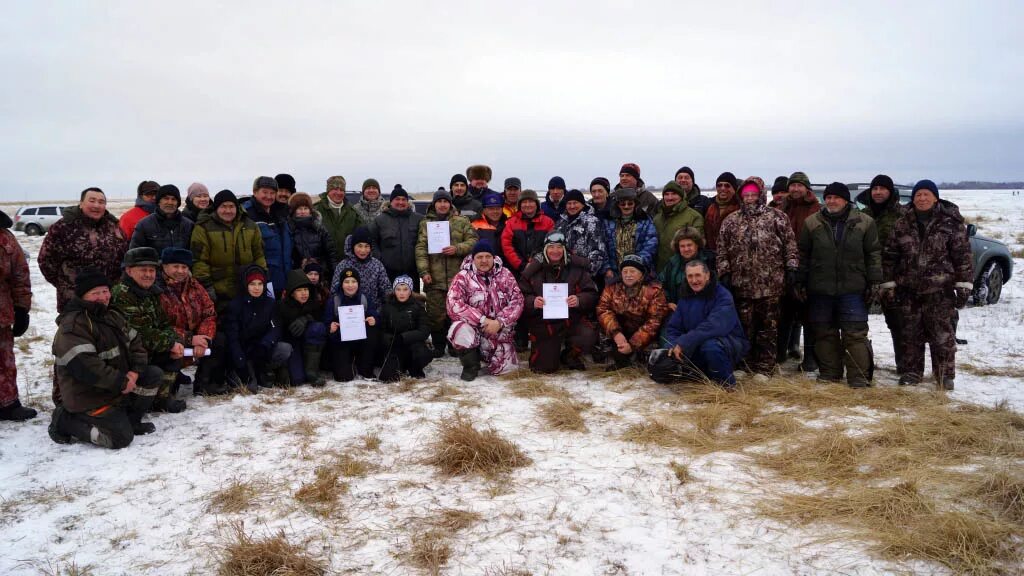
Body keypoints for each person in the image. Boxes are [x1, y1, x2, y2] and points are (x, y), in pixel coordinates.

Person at [49, 268, 161, 448]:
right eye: (95, 293)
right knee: (120, 438)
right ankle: (66, 421)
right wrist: (121, 381)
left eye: (105, 291)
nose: (103, 297)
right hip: (88, 395)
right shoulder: (74, 325)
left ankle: (130, 420)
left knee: (153, 375)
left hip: (115, 387)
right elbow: (87, 368)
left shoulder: (112, 314)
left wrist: (134, 372)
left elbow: (136, 343)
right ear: (83, 296)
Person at [880, 179, 973, 390]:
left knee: (942, 336)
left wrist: (964, 285)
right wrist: (888, 285)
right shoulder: (902, 223)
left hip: (941, 290)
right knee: (911, 334)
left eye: (926, 194)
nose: (922, 199)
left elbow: (963, 257)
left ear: (935, 197)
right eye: (918, 195)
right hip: (909, 290)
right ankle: (912, 372)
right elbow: (890, 256)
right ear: (913, 199)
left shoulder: (951, 223)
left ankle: (944, 375)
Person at [797, 182, 882, 387]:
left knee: (855, 334)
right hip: (820, 289)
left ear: (846, 200)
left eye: (836, 197)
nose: (831, 201)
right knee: (825, 333)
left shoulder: (865, 222)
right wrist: (799, 280)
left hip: (852, 288)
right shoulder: (812, 223)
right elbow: (803, 255)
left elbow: (873, 254)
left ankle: (859, 378)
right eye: (828, 197)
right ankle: (830, 373)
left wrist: (875, 281)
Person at [716, 177, 799, 379]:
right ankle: (744, 364)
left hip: (771, 285)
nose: (750, 198)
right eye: (746, 194)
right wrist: (724, 272)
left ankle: (765, 368)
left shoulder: (777, 217)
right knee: (743, 327)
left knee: (768, 328)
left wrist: (792, 268)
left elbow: (790, 245)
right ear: (741, 196)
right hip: (741, 285)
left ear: (761, 194)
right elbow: (721, 249)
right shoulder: (731, 220)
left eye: (754, 194)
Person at [648, 260, 749, 388]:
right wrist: (673, 345)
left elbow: (713, 326)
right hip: (694, 343)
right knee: (661, 363)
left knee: (710, 346)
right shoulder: (685, 297)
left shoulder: (722, 295)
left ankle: (726, 385)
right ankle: (699, 378)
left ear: (707, 276)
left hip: (728, 342)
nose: (694, 280)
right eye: (690, 276)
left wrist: (684, 342)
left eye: (698, 275)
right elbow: (673, 328)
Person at [111, 247, 187, 412]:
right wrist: (169, 344)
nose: (148, 274)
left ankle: (162, 397)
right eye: (143, 270)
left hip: (149, 347)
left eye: (151, 270)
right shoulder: (122, 294)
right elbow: (141, 333)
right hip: (130, 354)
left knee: (177, 344)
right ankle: (137, 402)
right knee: (164, 356)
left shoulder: (151, 292)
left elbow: (164, 323)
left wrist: (173, 342)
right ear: (129, 271)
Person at [519, 232, 599, 373]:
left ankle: (570, 355)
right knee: (545, 368)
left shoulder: (577, 269)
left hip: (571, 319)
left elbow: (592, 293)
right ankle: (548, 352)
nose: (555, 251)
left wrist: (579, 299)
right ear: (545, 250)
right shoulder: (533, 270)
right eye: (551, 247)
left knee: (588, 335)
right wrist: (533, 302)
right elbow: (520, 295)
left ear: (564, 249)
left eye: (559, 247)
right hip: (544, 323)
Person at [39, 187, 128, 314]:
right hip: (75, 301)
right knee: (76, 332)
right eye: (92, 201)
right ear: (81, 204)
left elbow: (124, 258)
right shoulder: (63, 227)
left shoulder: (114, 227)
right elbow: (46, 261)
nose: (97, 205)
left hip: (108, 299)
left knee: (107, 332)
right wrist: (66, 286)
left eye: (101, 202)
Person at [446, 241, 524, 381]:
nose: (484, 260)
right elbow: (453, 304)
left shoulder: (505, 274)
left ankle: (492, 357)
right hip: (475, 330)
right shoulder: (462, 277)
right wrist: (482, 320)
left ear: (493, 258)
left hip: (499, 332)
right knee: (458, 329)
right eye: (479, 257)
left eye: (488, 256)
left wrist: (500, 322)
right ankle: (471, 365)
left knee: (505, 371)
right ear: (473, 258)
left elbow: (517, 301)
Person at [416, 189, 478, 356]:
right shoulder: (425, 224)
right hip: (434, 278)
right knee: (435, 314)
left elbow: (474, 241)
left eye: (445, 201)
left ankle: (454, 344)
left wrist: (457, 249)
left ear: (450, 204)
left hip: (457, 278)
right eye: (439, 201)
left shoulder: (461, 222)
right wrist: (424, 271)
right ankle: (438, 345)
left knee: (456, 313)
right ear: (434, 204)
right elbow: (421, 248)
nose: (442, 205)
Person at [855, 174, 907, 373]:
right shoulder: (860, 215)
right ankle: (862, 365)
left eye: (882, 188)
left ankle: (904, 367)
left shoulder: (902, 215)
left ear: (890, 191)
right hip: (864, 278)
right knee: (857, 324)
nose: (877, 192)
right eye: (874, 188)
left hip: (893, 280)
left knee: (898, 325)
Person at [158, 247, 226, 396]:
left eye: (184, 267)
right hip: (172, 339)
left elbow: (209, 313)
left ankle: (204, 383)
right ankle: (168, 385)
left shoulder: (194, 285)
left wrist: (204, 338)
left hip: (197, 338)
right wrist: (189, 338)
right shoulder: (156, 288)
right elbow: (159, 325)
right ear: (164, 266)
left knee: (220, 339)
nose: (180, 271)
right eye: (175, 266)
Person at [771, 171, 822, 370]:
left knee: (808, 316)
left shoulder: (816, 209)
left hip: (808, 269)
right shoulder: (781, 207)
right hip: (782, 270)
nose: (795, 189)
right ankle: (779, 355)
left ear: (806, 188)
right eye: (792, 185)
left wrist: (806, 269)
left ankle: (810, 359)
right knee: (783, 315)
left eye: (799, 185)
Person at [190, 189, 266, 308]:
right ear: (216, 208)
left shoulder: (250, 225)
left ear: (237, 208)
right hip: (218, 290)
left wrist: (262, 279)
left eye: (231, 206)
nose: (228, 210)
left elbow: (259, 255)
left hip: (246, 287)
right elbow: (200, 261)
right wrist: (207, 287)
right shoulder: (203, 227)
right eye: (223, 206)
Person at [223, 264, 292, 391]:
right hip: (242, 351)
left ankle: (263, 371)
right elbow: (232, 336)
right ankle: (241, 373)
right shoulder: (236, 305)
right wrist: (240, 360)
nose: (257, 288)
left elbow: (275, 327)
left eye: (260, 284)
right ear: (246, 285)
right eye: (252, 284)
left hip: (261, 348)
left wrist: (265, 344)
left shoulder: (270, 303)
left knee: (284, 349)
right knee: (250, 387)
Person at [596, 255, 669, 370]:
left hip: (644, 334)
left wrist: (633, 344)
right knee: (605, 345)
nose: (628, 275)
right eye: (625, 271)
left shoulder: (654, 291)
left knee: (648, 360)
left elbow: (654, 322)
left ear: (641, 274)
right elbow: (603, 309)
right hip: (620, 331)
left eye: (632, 271)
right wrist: (616, 333)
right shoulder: (611, 287)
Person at [0, 209, 34, 421]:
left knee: (4, 360)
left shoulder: (6, 238)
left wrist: (22, 309)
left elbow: (20, 274)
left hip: (1, 314)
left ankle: (8, 404)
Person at [324, 267, 379, 382]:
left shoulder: (364, 298)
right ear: (341, 284)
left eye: (353, 281)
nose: (350, 285)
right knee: (344, 377)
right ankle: (348, 363)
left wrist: (374, 320)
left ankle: (365, 368)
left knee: (372, 330)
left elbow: (374, 314)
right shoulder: (334, 301)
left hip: (361, 342)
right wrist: (331, 327)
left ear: (358, 283)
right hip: (341, 342)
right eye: (346, 282)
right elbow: (327, 321)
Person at [276, 270, 329, 386]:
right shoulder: (282, 307)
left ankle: (312, 371)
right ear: (291, 293)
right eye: (299, 290)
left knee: (318, 328)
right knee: (296, 380)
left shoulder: (313, 304)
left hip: (308, 344)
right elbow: (278, 332)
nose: (304, 293)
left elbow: (322, 325)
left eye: (306, 290)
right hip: (291, 345)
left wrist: (306, 318)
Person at [243, 176, 292, 297]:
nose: (269, 197)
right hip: (261, 279)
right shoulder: (247, 215)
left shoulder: (279, 213)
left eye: (272, 193)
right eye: (264, 192)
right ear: (255, 192)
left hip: (282, 277)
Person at [378, 275, 433, 382]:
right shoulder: (386, 307)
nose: (402, 293)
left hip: (413, 345)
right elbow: (381, 329)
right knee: (388, 378)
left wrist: (403, 337)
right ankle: (400, 367)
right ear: (394, 291)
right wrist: (390, 339)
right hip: (394, 346)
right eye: (398, 289)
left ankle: (415, 368)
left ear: (410, 290)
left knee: (422, 354)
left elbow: (424, 330)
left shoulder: (419, 307)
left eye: (405, 289)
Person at [370, 184, 423, 289]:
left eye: (404, 199)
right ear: (391, 201)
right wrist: (380, 260)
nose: (401, 202)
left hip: (412, 273)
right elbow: (371, 241)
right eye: (397, 199)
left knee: (413, 303)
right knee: (390, 303)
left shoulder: (419, 219)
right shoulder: (380, 220)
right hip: (388, 273)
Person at [604, 187, 658, 282]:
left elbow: (651, 244)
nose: (626, 206)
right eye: (622, 204)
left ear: (635, 204)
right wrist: (607, 268)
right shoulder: (608, 222)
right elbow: (603, 246)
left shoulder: (645, 220)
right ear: (617, 205)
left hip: (640, 272)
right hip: (614, 274)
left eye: (630, 203)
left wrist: (637, 263)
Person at [333, 226, 391, 315]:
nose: (363, 250)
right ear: (353, 246)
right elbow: (334, 291)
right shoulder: (343, 265)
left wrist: (380, 312)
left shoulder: (377, 265)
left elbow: (386, 290)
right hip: (348, 314)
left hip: (373, 312)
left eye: (366, 246)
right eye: (359, 246)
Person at [658, 226, 718, 312]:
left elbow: (717, 286)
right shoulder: (672, 263)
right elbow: (660, 285)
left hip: (705, 309)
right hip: (677, 310)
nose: (686, 249)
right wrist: (667, 302)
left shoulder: (710, 260)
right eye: (682, 246)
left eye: (689, 245)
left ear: (697, 245)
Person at [501, 189, 555, 275]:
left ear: (536, 204)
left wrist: (536, 263)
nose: (527, 205)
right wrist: (521, 264)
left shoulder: (548, 222)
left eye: (530, 201)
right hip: (517, 270)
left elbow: (551, 245)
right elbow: (507, 246)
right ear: (520, 205)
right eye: (524, 202)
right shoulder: (511, 223)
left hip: (542, 269)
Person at [653, 181, 705, 271]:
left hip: (683, 270)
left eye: (674, 194)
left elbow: (698, 246)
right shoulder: (657, 219)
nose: (670, 197)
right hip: (660, 270)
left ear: (681, 196)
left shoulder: (694, 217)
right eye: (666, 194)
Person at [555, 188, 607, 278]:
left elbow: (598, 252)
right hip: (562, 273)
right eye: (569, 203)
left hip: (584, 274)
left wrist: (587, 274)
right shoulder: (561, 222)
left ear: (582, 204)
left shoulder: (592, 222)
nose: (572, 206)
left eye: (575, 203)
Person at [130, 184, 195, 254]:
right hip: (155, 264)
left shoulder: (189, 225)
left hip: (183, 265)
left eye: (173, 199)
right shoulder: (144, 225)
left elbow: (195, 254)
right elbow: (134, 254)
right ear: (158, 201)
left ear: (177, 203)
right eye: (166, 198)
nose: (170, 202)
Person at [288, 192, 339, 273]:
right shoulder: (289, 229)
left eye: (305, 208)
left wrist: (335, 273)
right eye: (299, 209)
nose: (303, 211)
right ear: (294, 211)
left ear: (310, 210)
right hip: (298, 274)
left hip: (320, 273)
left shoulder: (319, 229)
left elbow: (331, 253)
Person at [315, 175, 361, 260]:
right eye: (335, 189)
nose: (339, 193)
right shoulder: (316, 210)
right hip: (323, 264)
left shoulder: (353, 212)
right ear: (328, 190)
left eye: (342, 190)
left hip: (346, 264)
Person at [704, 172, 740, 252]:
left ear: (734, 189)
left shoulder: (740, 207)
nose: (723, 188)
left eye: (727, 185)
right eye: (719, 185)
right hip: (713, 254)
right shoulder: (710, 207)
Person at [471, 193, 507, 263]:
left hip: (507, 268)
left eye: (498, 208)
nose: (495, 211)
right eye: (491, 209)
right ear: (484, 210)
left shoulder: (509, 224)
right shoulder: (474, 226)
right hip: (483, 265)